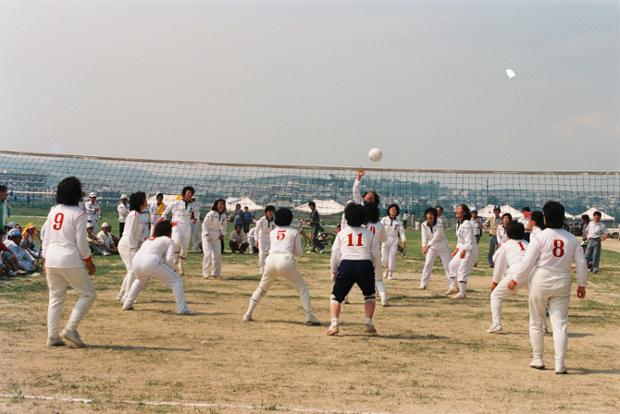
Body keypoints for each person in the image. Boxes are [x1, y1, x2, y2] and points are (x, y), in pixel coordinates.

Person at [508, 201, 587, 374]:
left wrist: (515, 280)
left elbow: (527, 263)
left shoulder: (540, 237)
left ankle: (538, 359)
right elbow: (581, 264)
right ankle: (560, 364)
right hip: (562, 280)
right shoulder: (572, 239)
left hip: (541, 279)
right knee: (560, 324)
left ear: (545, 218)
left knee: (536, 321)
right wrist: (582, 284)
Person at [41, 176, 96, 348]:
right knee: (88, 294)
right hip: (69, 258)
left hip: (51, 258)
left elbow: (46, 236)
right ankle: (70, 329)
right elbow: (81, 242)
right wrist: (89, 261)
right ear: (76, 193)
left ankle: (52, 336)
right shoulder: (79, 213)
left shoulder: (54, 210)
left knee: (56, 297)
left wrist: (44, 257)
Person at [243, 208, 320, 325]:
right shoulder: (294, 232)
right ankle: (309, 316)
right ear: (290, 219)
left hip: (270, 260)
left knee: (262, 288)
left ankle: (248, 314)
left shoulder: (272, 232)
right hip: (286, 260)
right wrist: (291, 252)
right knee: (302, 288)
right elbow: (299, 252)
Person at [327, 203, 380, 336]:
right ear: (363, 217)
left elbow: (335, 254)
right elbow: (375, 254)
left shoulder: (342, 233)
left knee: (336, 297)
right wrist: (373, 268)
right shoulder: (369, 233)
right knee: (370, 296)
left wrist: (334, 270)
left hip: (347, 265)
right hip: (365, 264)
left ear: (347, 217)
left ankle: (334, 324)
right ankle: (368, 322)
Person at [122, 221, 193, 315]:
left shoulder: (149, 239)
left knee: (139, 281)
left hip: (136, 262)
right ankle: (183, 309)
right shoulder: (168, 240)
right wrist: (174, 269)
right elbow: (169, 259)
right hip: (150, 262)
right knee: (177, 281)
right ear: (168, 231)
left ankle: (127, 304)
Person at [487, 222, 528, 333]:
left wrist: (495, 282)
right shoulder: (527, 243)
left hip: (515, 274)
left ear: (508, 233)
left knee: (495, 296)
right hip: (531, 275)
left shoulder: (506, 245)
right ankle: (542, 326)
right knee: (535, 300)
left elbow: (498, 264)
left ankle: (496, 324)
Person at [160, 186, 197, 275]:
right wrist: (163, 217)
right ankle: (174, 262)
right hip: (176, 225)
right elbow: (168, 208)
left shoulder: (193, 205)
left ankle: (181, 265)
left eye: (191, 194)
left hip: (187, 226)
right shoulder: (177, 202)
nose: (189, 195)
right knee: (176, 242)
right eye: (188, 193)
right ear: (184, 193)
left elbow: (196, 213)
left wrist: (196, 218)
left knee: (185, 247)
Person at [117, 192, 147, 302]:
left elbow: (138, 234)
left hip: (131, 245)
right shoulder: (133, 214)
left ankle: (121, 294)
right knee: (132, 270)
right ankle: (127, 297)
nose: (146, 202)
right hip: (127, 245)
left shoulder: (138, 215)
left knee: (130, 270)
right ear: (140, 202)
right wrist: (134, 248)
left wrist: (144, 241)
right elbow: (129, 233)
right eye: (144, 200)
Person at [446, 204, 479, 299]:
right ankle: (453, 287)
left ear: (464, 212)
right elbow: (460, 240)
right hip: (462, 248)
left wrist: (464, 250)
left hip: (470, 249)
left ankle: (462, 293)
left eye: (459, 209)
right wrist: (456, 249)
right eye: (456, 209)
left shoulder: (467, 224)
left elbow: (468, 241)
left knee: (462, 270)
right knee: (451, 265)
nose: (456, 211)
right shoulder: (459, 223)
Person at [420, 207, 451, 290]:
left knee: (447, 266)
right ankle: (423, 284)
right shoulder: (423, 224)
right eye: (428, 214)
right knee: (427, 264)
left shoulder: (439, 223)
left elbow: (437, 236)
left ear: (435, 216)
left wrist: (428, 246)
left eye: (432, 214)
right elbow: (424, 236)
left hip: (443, 246)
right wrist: (423, 246)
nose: (429, 216)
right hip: (432, 247)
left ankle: (452, 285)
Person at [364, 202, 389, 306]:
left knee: (355, 277)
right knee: (378, 279)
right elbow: (384, 239)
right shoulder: (380, 224)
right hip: (376, 252)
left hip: (364, 253)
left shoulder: (363, 225)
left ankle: (345, 298)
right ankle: (383, 299)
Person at [202, 199, 227, 279]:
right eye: (220, 204)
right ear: (216, 205)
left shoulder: (224, 215)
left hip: (217, 234)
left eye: (223, 204)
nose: (221, 205)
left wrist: (222, 234)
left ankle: (216, 273)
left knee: (217, 255)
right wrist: (206, 234)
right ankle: (205, 273)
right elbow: (204, 225)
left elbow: (224, 226)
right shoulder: (211, 214)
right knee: (208, 254)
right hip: (208, 234)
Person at [380, 203, 406, 280]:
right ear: (389, 210)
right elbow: (380, 229)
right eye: (392, 209)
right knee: (384, 259)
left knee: (392, 257)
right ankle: (386, 269)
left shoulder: (399, 222)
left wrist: (403, 241)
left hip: (394, 240)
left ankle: (390, 272)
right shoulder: (384, 219)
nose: (393, 211)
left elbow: (401, 232)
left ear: (397, 211)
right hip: (385, 239)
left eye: (395, 210)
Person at [255, 205, 276, 274]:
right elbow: (256, 231)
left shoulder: (275, 220)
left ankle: (270, 269)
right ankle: (262, 270)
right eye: (269, 211)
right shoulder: (262, 220)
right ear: (266, 212)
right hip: (262, 238)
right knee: (261, 253)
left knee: (271, 254)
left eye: (272, 211)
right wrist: (256, 239)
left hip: (271, 238)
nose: (270, 213)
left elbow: (276, 230)